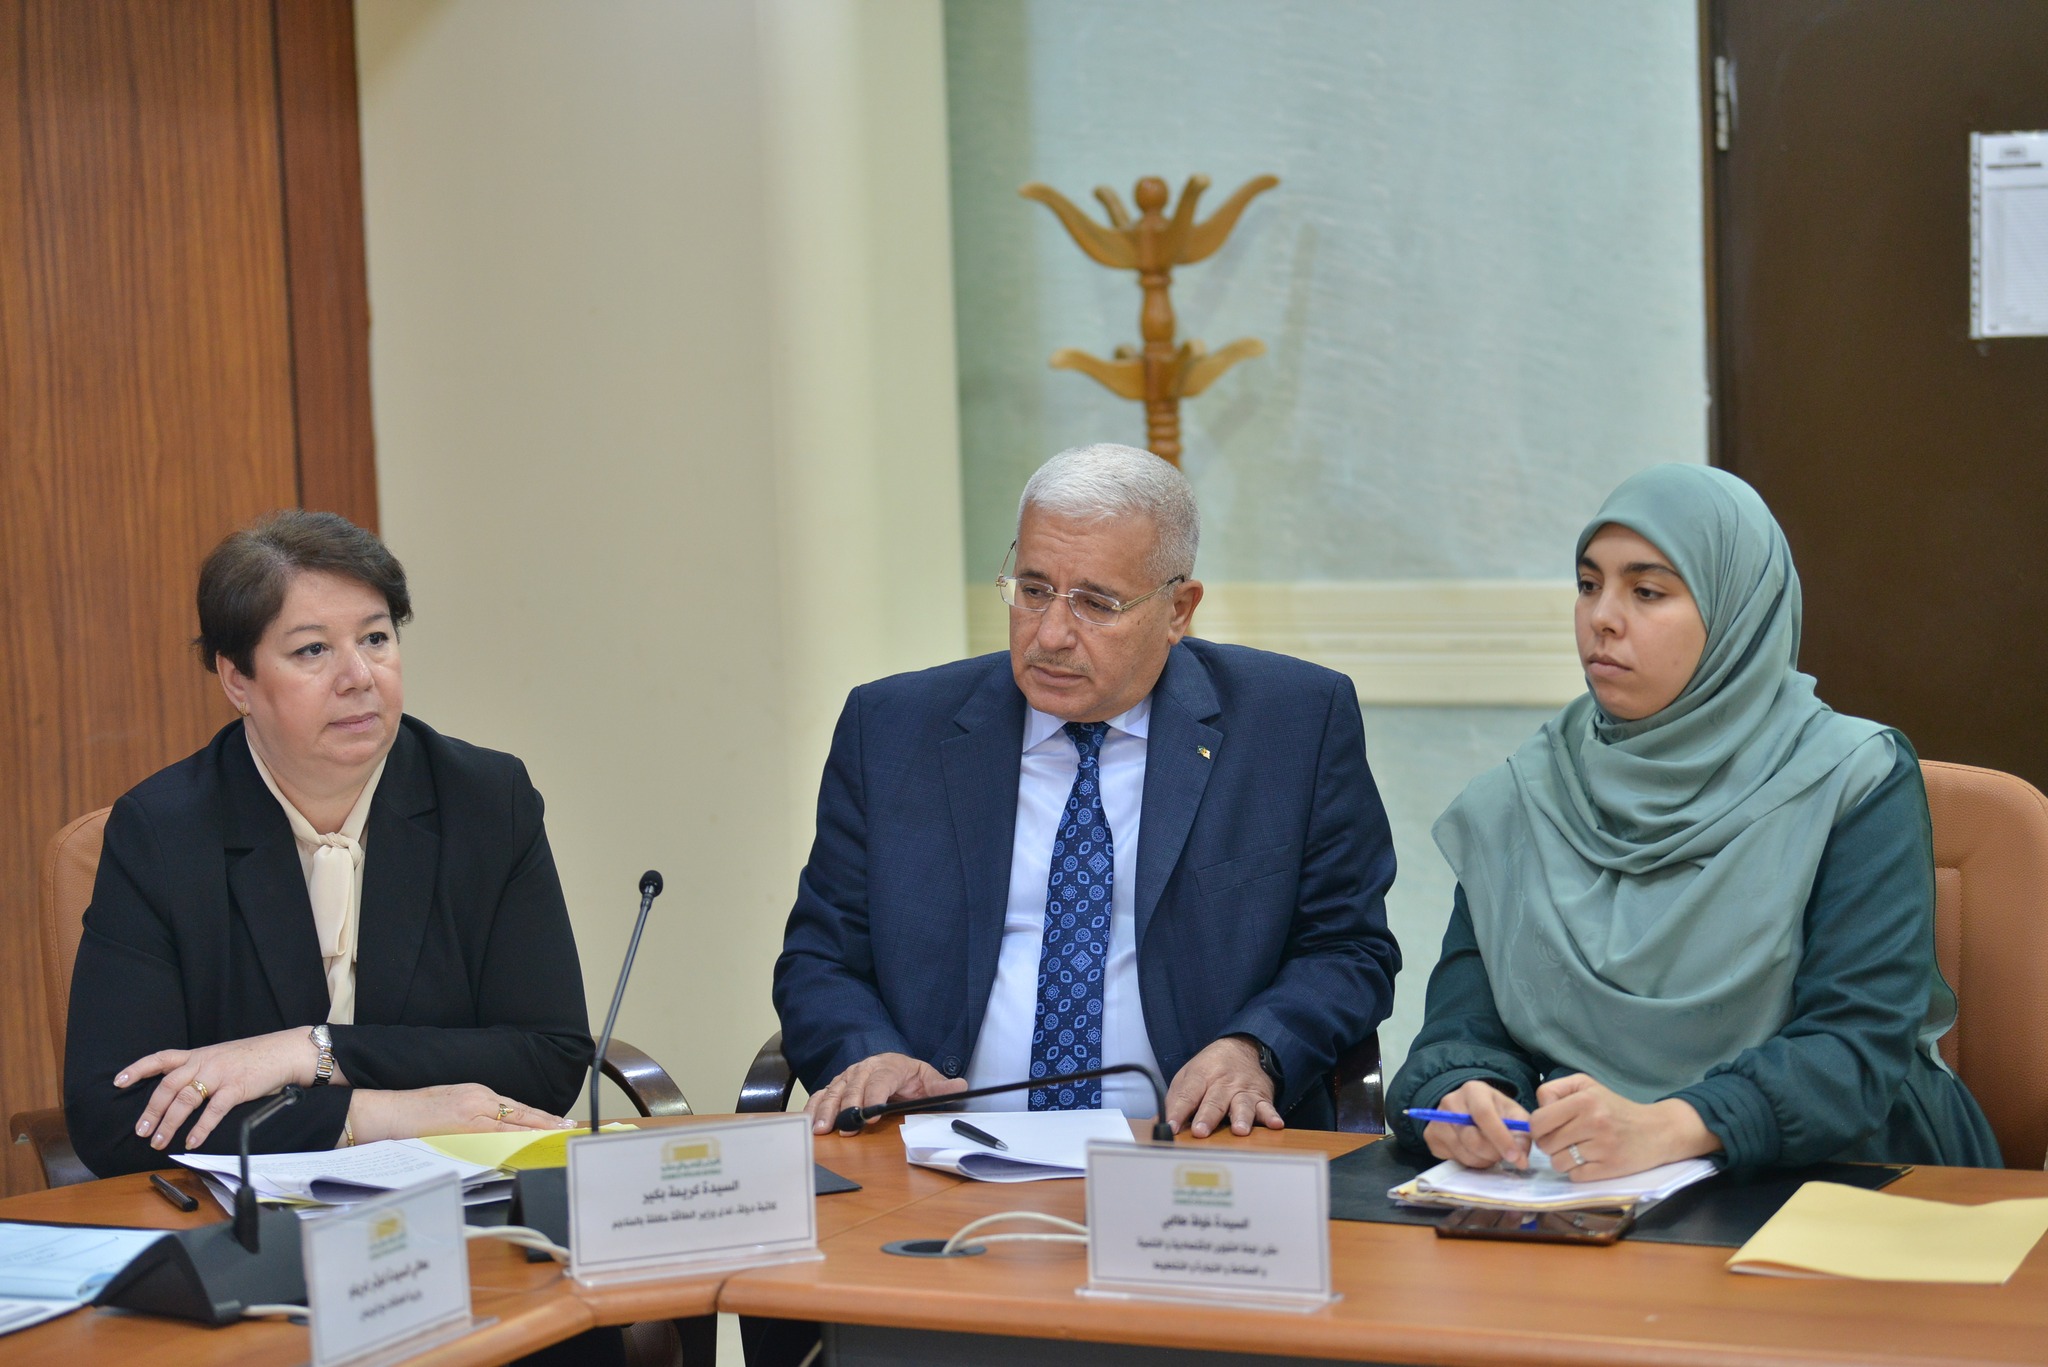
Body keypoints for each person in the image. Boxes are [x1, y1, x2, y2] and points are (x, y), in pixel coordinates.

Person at [1388, 464, 2000, 1180]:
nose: (1602, 617)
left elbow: (1853, 1048)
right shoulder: (1523, 797)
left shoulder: (1851, 776)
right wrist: (1466, 1097)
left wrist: (1670, 1125)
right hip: (1589, 1186)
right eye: (1588, 584)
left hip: (1842, 1173)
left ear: (1737, 610)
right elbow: (1462, 1030)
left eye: (1646, 591)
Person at [775, 443, 1400, 1138]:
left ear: (1178, 609)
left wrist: (1255, 1047)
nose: (1050, 634)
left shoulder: (1292, 724)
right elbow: (821, 957)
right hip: (937, 1150)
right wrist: (871, 1056)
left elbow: (1347, 949)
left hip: (1193, 1151)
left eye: (1096, 604)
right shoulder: (892, 728)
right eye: (1033, 590)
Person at [64, 511, 592, 1177]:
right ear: (237, 681)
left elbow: (549, 1058)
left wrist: (310, 1050)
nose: (358, 676)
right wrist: (369, 1115)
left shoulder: (486, 801)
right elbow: (116, 1115)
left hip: (461, 1199)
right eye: (312, 650)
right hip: (249, 1222)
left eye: (376, 638)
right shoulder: (164, 832)